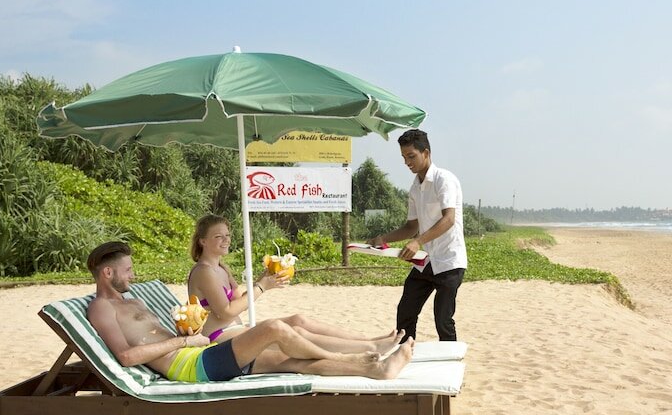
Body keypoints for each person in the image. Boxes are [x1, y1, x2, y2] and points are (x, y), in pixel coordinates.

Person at [85, 241, 413, 383]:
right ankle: (349, 358)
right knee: (275, 329)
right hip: (191, 366)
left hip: (199, 354)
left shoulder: (134, 301)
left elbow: (161, 336)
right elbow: (127, 357)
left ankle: (377, 370)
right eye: (127, 271)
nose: (133, 275)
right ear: (108, 274)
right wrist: (183, 344)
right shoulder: (101, 309)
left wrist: (187, 330)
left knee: (293, 363)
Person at [187, 214, 403, 354]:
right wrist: (262, 286)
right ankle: (370, 348)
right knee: (298, 333)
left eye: (227, 235)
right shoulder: (204, 272)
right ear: (202, 241)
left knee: (298, 320)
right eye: (218, 236)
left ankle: (369, 339)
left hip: (237, 329)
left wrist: (266, 275)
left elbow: (241, 301)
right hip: (219, 338)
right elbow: (225, 312)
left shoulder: (222, 268)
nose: (226, 240)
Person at [368, 129, 467, 342]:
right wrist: (382, 239)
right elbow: (411, 227)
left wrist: (418, 242)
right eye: (404, 157)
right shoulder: (414, 188)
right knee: (405, 312)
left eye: (411, 156)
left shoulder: (444, 180)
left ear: (426, 153)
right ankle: (403, 354)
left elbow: (449, 219)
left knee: (443, 319)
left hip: (450, 261)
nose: (407, 162)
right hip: (427, 261)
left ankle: (449, 365)